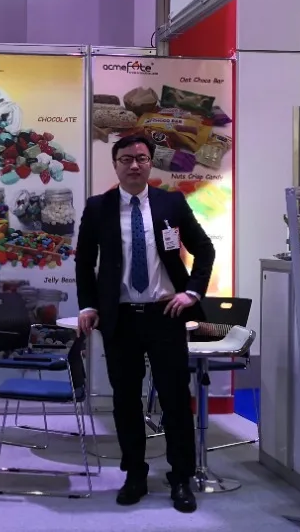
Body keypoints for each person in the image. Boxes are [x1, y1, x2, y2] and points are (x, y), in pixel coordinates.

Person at [75, 135, 215, 513]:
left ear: (151, 163)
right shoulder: (98, 207)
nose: (134, 165)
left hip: (165, 315)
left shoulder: (171, 203)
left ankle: (181, 477)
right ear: (115, 165)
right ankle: (134, 473)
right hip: (120, 318)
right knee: (125, 400)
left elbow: (204, 249)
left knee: (174, 399)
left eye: (141, 158)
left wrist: (192, 293)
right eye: (126, 159)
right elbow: (84, 262)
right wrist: (88, 305)